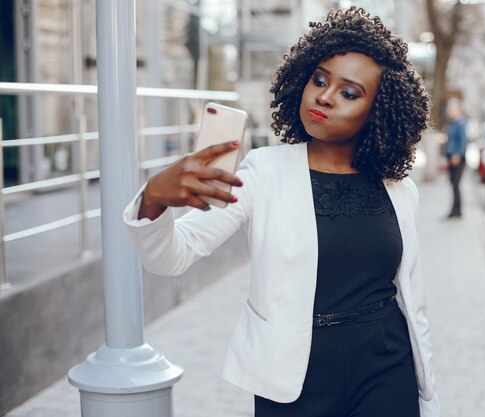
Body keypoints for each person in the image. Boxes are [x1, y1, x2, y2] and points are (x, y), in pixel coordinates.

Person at [124, 7, 439, 417]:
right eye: (320, 79)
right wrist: (154, 199)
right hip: (293, 375)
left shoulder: (400, 190)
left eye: (349, 92)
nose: (324, 96)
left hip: (385, 365)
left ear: (378, 111)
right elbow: (172, 257)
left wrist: (428, 394)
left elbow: (413, 301)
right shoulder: (263, 171)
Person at [444, 98, 468, 218]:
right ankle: (454, 209)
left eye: (452, 109)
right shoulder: (452, 123)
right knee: (453, 184)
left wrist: (457, 155)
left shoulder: (461, 123)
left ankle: (457, 210)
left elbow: (462, 142)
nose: (450, 111)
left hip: (457, 159)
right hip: (450, 157)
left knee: (456, 185)